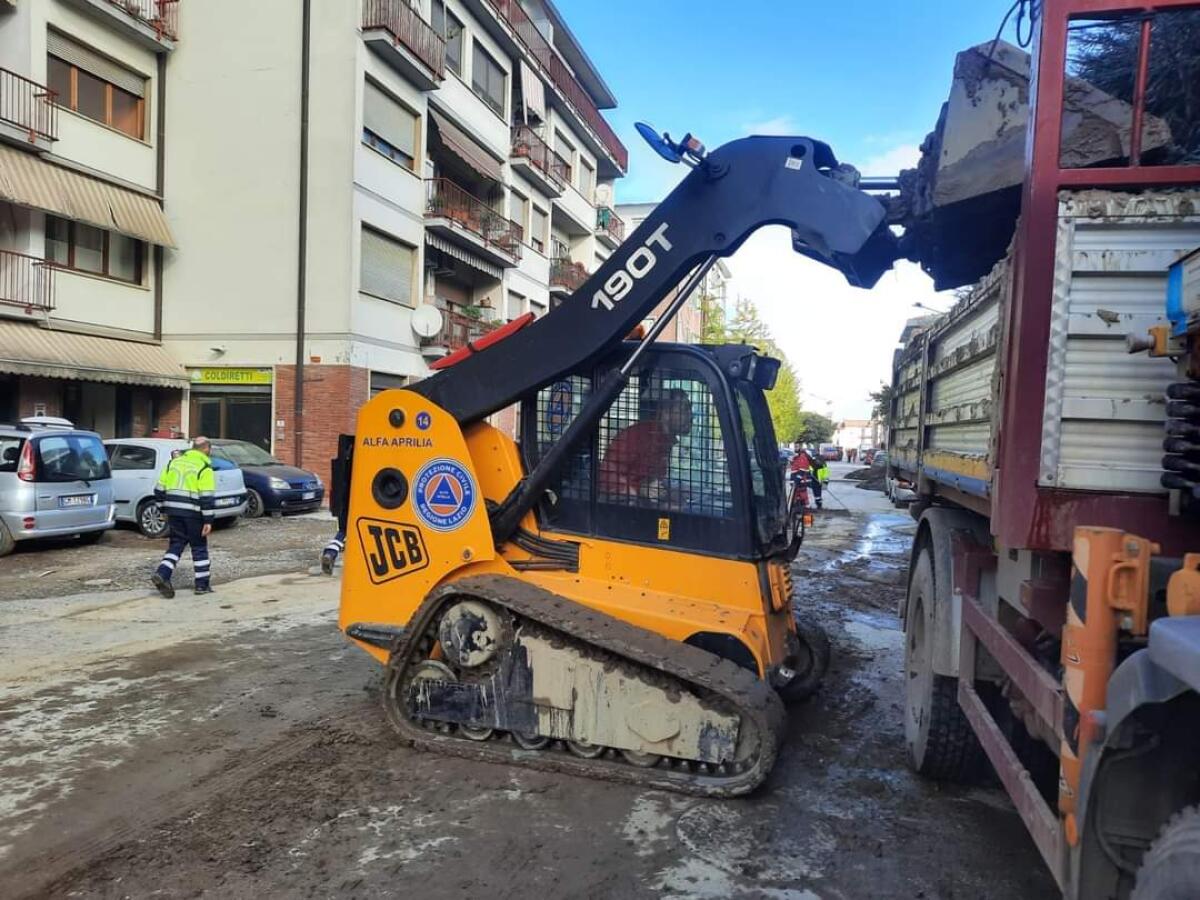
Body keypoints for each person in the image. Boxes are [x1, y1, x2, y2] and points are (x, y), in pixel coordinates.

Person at [598, 388, 693, 501]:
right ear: (666, 412)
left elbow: (652, 483)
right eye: (685, 409)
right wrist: (640, 490)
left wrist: (669, 490)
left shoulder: (665, 440)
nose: (691, 416)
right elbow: (605, 476)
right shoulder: (636, 436)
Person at [151, 436, 216, 598]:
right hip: (193, 513)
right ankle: (202, 585)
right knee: (199, 547)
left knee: (176, 544)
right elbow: (206, 496)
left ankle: (163, 573)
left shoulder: (174, 462)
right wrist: (208, 520)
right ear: (206, 449)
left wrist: (162, 510)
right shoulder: (204, 467)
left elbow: (159, 490)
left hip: (173, 512)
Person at [320, 434, 353, 575]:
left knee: (343, 532)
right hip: (358, 505)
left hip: (343, 502)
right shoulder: (363, 467)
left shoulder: (344, 465)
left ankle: (330, 552)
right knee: (347, 532)